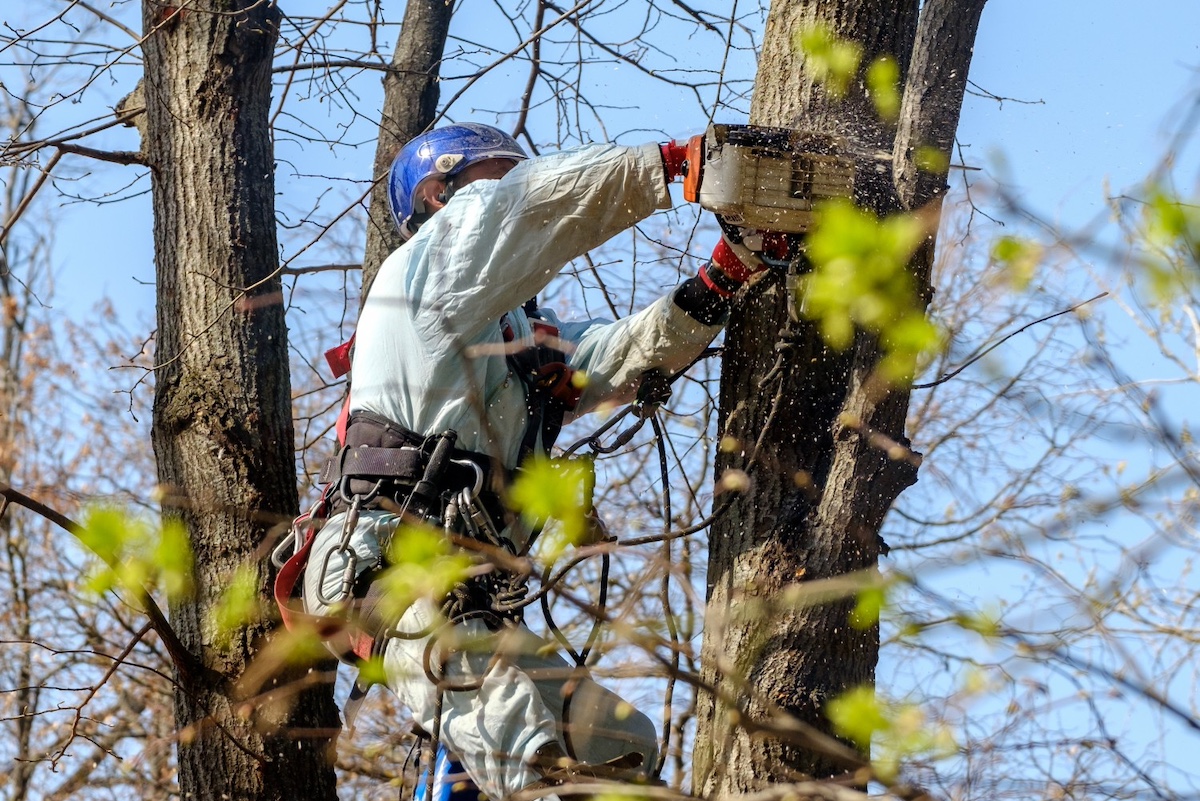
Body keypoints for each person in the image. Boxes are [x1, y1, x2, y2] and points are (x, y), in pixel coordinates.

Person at [301, 123, 771, 799]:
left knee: (619, 741)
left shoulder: (516, 339)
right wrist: (672, 166)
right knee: (511, 723)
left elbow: (622, 356)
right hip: (389, 568)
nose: (519, 186)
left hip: (470, 596)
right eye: (497, 177)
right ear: (439, 196)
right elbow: (521, 207)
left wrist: (727, 272)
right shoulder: (422, 278)